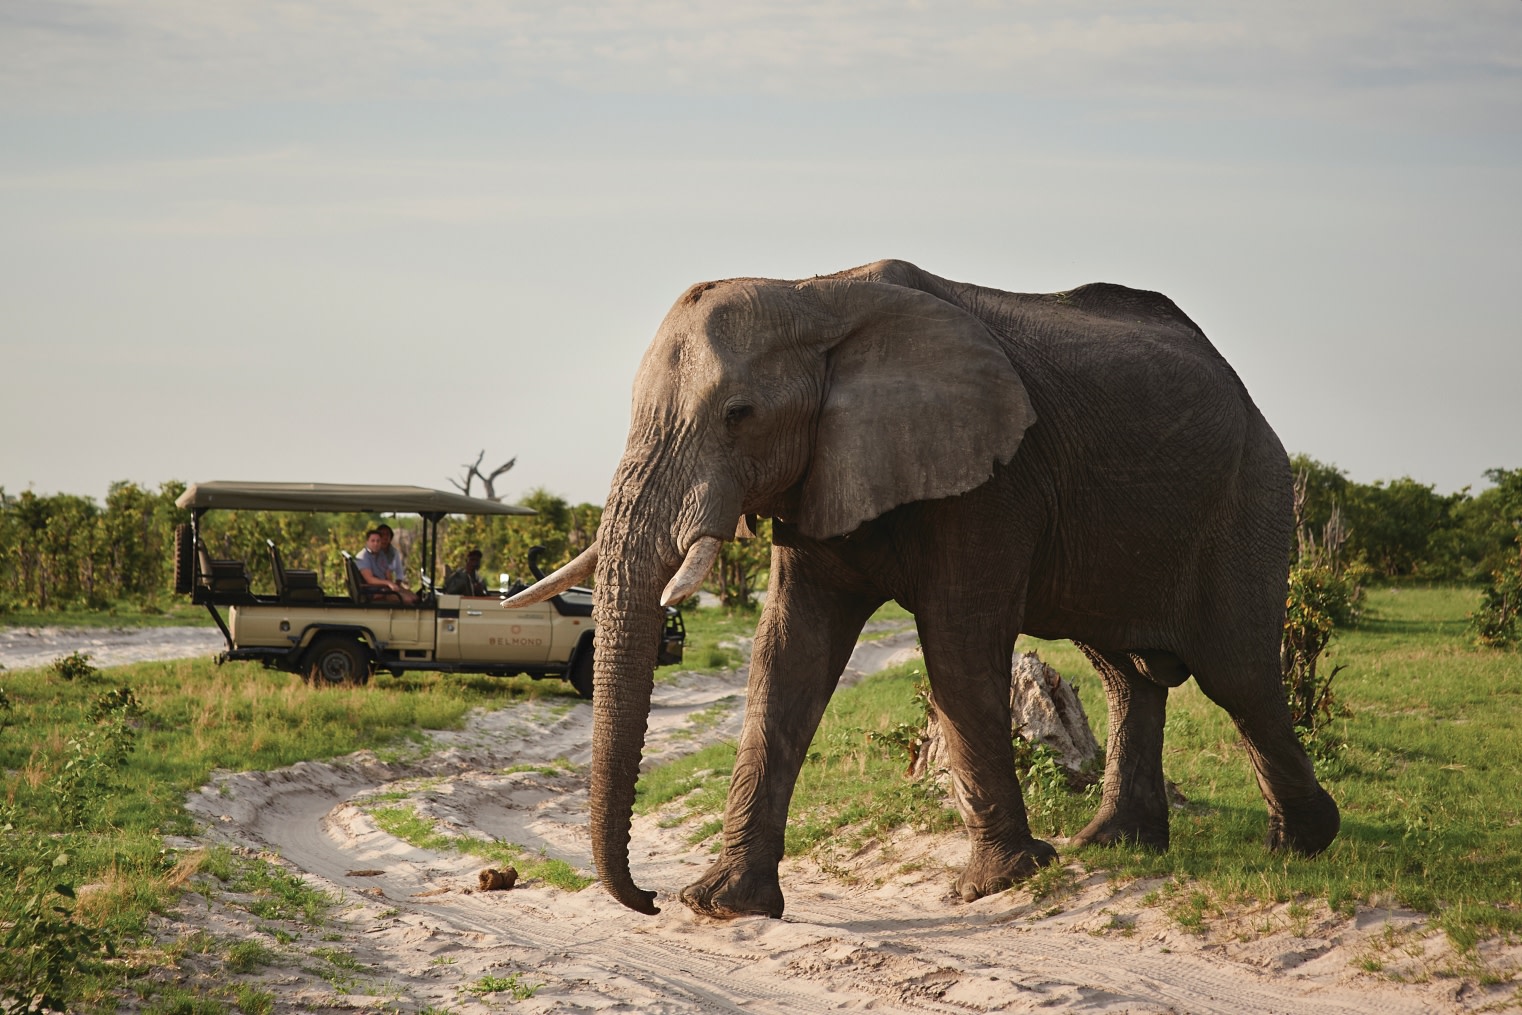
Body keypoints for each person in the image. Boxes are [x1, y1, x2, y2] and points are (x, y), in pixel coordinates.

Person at [355, 524, 417, 604]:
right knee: (408, 600)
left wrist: (391, 585)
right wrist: (388, 583)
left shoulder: (381, 554)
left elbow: (388, 573)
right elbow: (369, 579)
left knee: (415, 597)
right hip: (375, 591)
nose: (376, 543)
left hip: (385, 588)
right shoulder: (363, 556)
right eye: (373, 541)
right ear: (367, 542)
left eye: (378, 541)